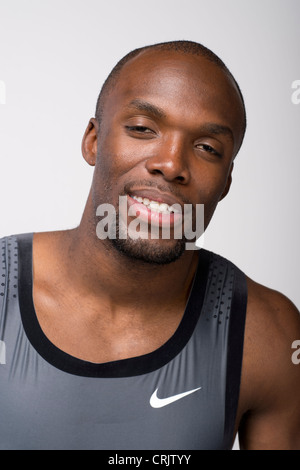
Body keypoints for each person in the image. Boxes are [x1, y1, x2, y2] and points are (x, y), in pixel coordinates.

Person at [0, 40, 299, 451]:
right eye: (143, 129)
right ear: (93, 139)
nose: (171, 164)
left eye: (207, 148)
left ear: (227, 182)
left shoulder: (268, 335)